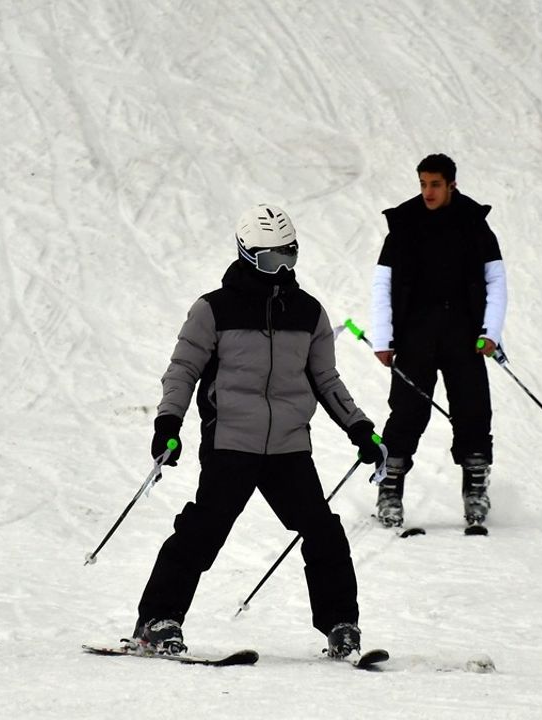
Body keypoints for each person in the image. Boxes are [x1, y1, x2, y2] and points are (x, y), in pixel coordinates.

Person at [132, 204, 384, 661]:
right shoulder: (214, 309)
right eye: (272, 260)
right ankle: (156, 621)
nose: (283, 268)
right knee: (203, 530)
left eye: (290, 256)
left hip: (289, 446)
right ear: (248, 256)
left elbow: (326, 380)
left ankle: (341, 625)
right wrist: (168, 422)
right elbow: (183, 369)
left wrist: (360, 428)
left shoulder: (308, 313)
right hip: (231, 442)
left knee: (323, 531)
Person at [367, 153, 507, 529]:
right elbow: (383, 284)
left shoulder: (475, 226)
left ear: (451, 185)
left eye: (435, 184)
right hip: (415, 337)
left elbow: (495, 280)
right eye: (423, 184)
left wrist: (490, 333)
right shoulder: (404, 225)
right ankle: (389, 489)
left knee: (473, 410)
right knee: (408, 413)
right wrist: (383, 338)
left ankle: (475, 488)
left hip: (464, 337)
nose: (427, 192)